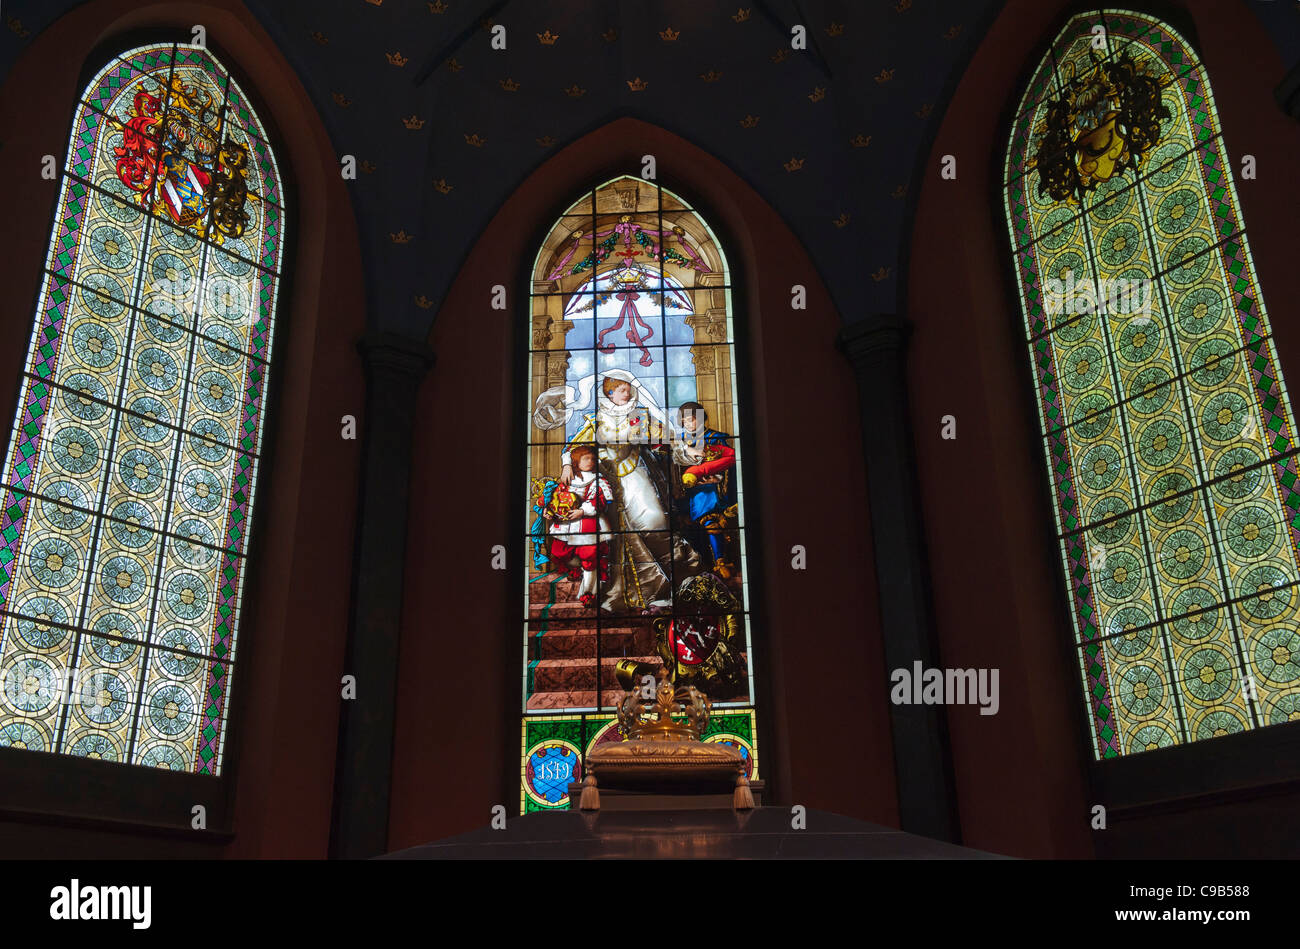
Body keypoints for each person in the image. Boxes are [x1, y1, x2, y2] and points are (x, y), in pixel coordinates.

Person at [557, 372, 700, 613]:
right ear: (610, 393)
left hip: (636, 473)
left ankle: (679, 565)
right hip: (607, 482)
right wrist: (567, 463)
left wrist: (686, 450)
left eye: (629, 389)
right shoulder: (596, 420)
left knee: (654, 521)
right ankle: (647, 590)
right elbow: (572, 446)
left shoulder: (640, 417)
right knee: (617, 535)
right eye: (623, 389)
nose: (629, 393)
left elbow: (668, 438)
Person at [673, 402, 739, 579]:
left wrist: (717, 479)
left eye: (692, 419)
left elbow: (730, 463)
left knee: (713, 521)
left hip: (714, 489)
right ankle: (705, 564)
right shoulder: (680, 442)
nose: (688, 424)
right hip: (688, 491)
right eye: (685, 421)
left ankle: (720, 562)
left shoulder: (715, 438)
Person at [544, 446, 612, 608]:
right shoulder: (569, 478)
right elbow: (557, 498)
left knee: (589, 558)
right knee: (558, 552)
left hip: (588, 524)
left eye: (592, 458)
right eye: (586, 458)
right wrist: (550, 511)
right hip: (565, 524)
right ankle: (575, 569)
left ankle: (588, 593)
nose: (591, 461)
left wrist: (582, 511)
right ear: (576, 461)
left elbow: (600, 501)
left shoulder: (599, 480)